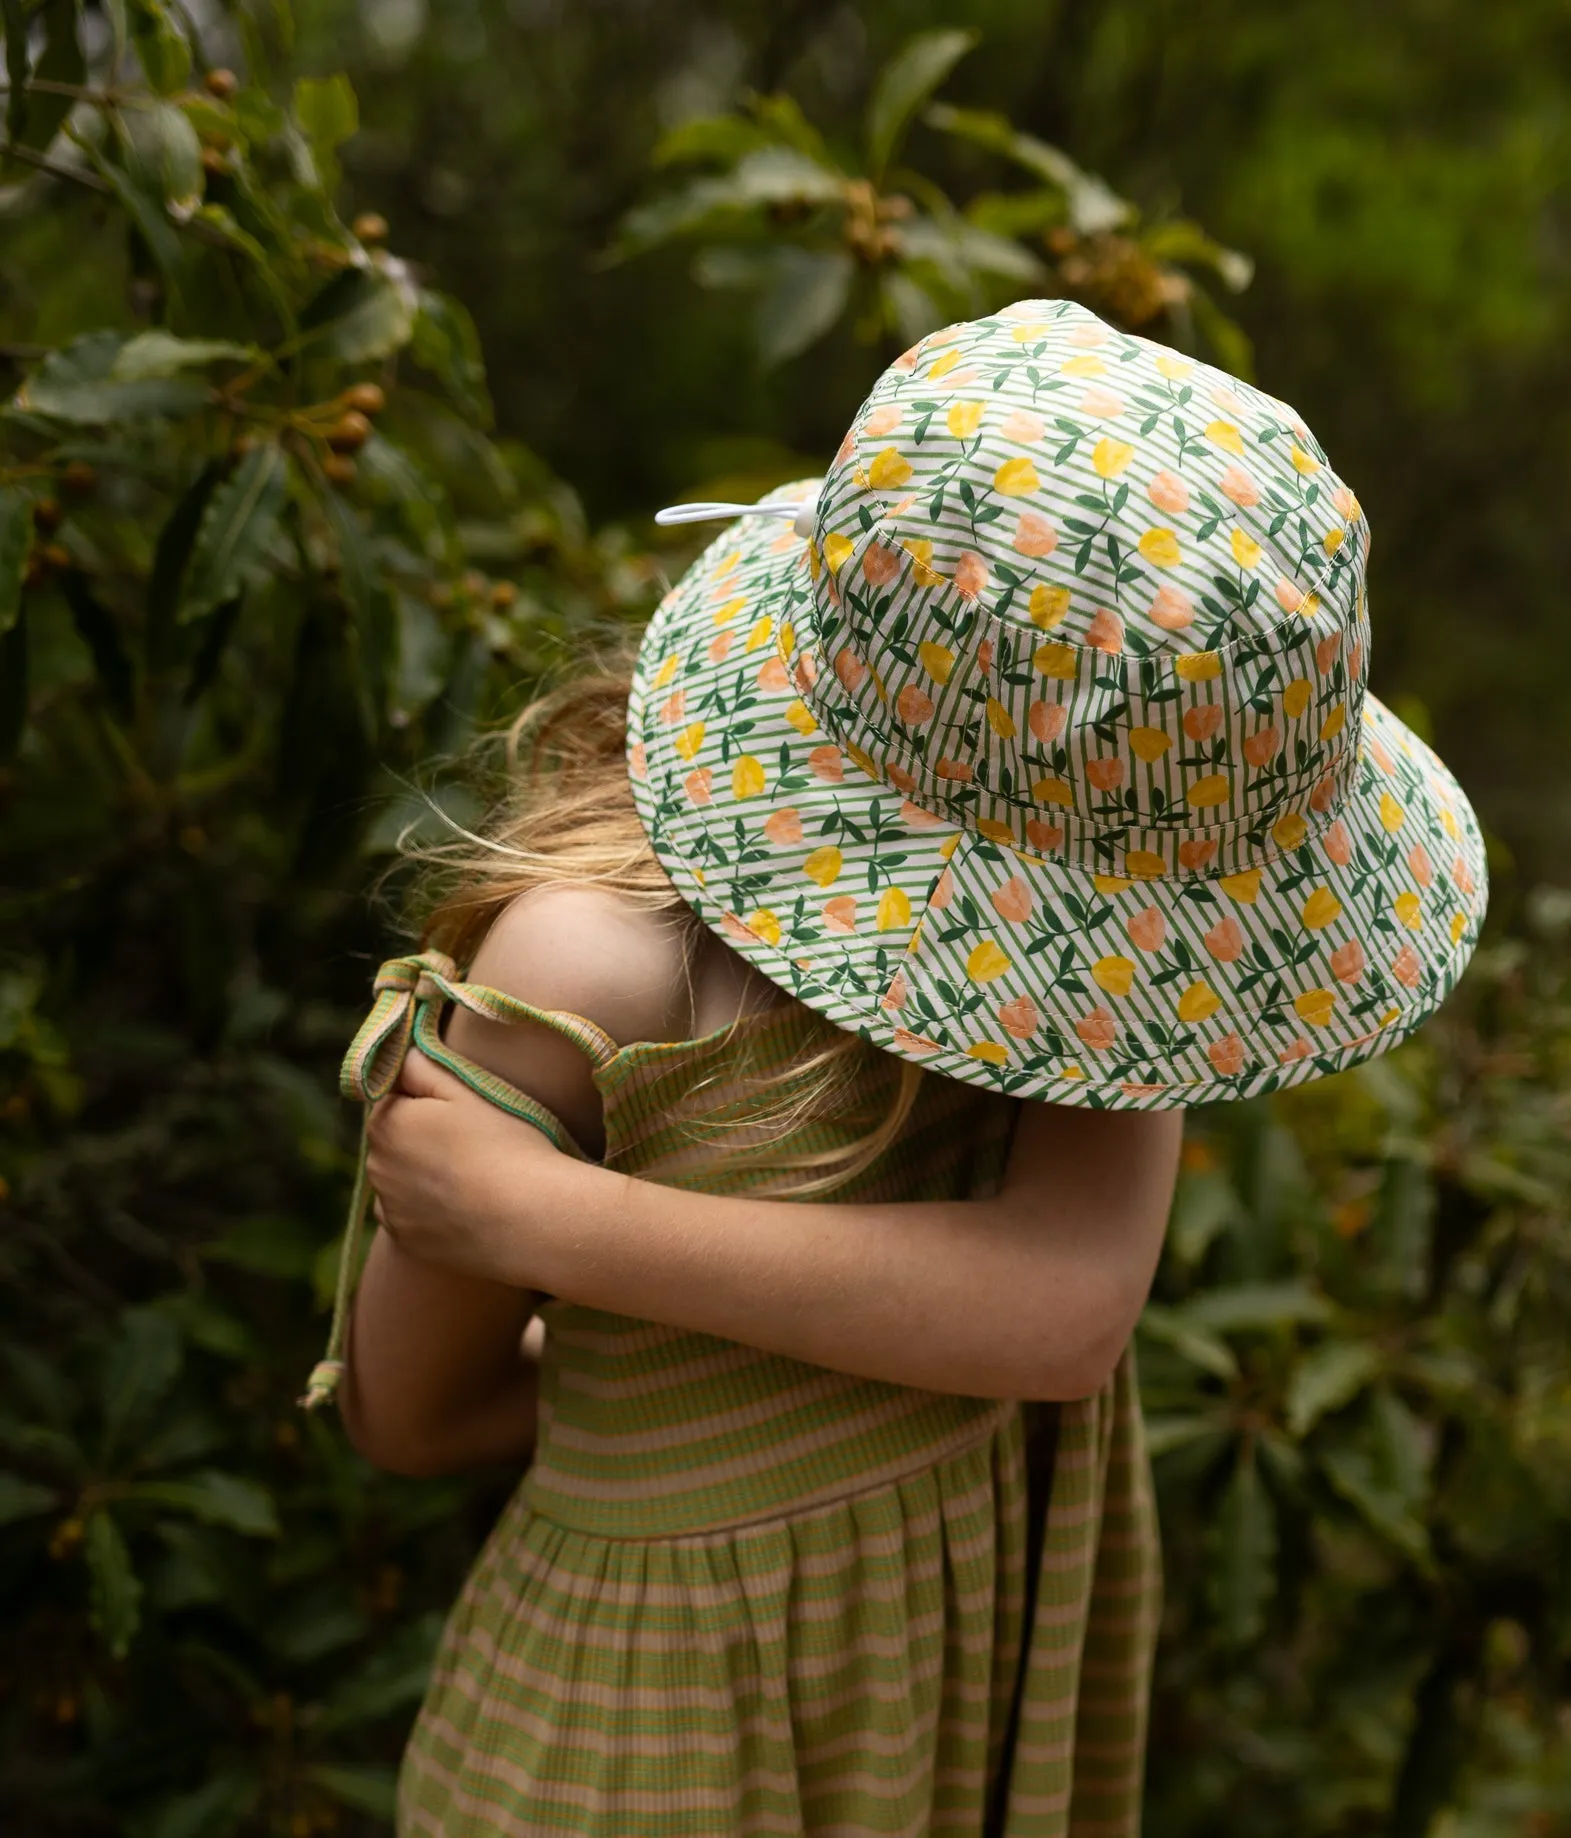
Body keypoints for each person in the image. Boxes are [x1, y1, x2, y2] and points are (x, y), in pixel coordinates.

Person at [308, 296, 1488, 1836]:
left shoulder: (1121, 952)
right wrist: (715, 1404)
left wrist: (551, 1226)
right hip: (651, 1744)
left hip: (945, 1708)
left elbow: (1059, 1307)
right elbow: (409, 1411)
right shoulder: (588, 972)